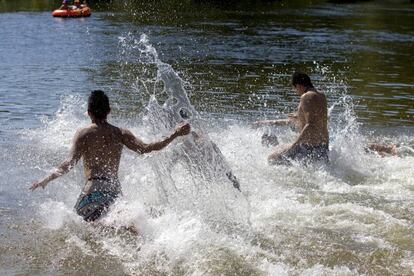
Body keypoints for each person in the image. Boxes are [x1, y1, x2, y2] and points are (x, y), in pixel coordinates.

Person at [30, 90, 191, 223]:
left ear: (89, 112)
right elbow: (147, 148)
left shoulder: (83, 134)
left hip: (93, 189)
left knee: (79, 230)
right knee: (116, 228)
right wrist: (174, 134)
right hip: (114, 190)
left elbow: (69, 163)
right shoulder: (121, 133)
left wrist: (46, 179)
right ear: (109, 111)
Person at [253, 72, 329, 165]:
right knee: (277, 148)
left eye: (295, 88)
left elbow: (310, 124)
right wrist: (268, 122)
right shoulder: (321, 95)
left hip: (309, 148)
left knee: (272, 158)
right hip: (323, 146)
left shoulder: (306, 97)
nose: (296, 91)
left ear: (298, 85)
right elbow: (301, 120)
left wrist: (294, 146)